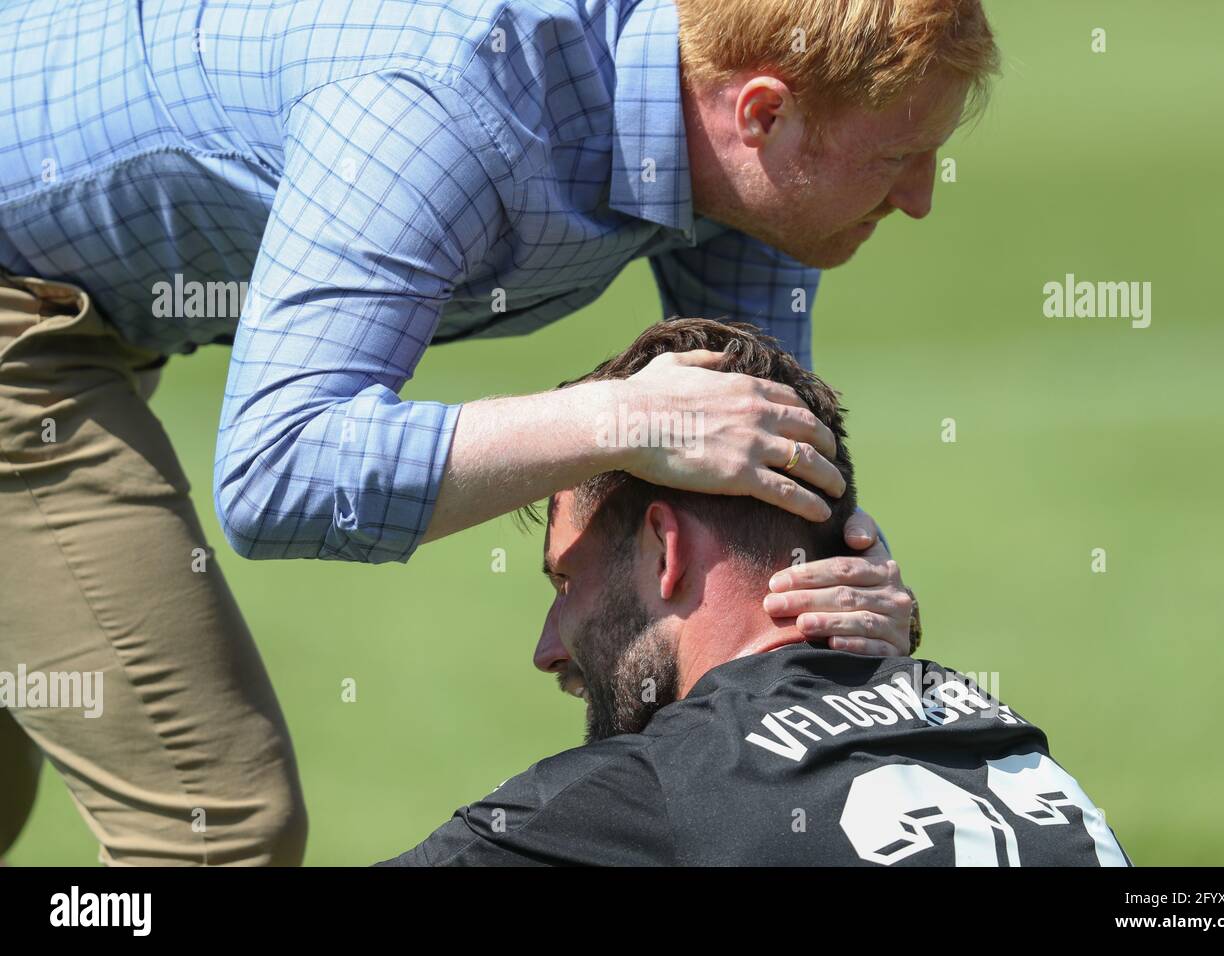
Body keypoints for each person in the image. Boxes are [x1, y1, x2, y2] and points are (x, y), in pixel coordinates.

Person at [0, 0, 996, 863]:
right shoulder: (447, 106)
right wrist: (622, 417)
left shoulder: (728, 131)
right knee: (210, 822)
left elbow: (756, 461)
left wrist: (842, 588)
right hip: (22, 304)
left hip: (87, 298)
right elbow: (277, 468)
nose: (916, 201)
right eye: (902, 156)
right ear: (763, 113)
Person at [381, 320, 1129, 867]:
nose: (549, 650)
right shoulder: (1020, 750)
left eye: (567, 580)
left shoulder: (658, 794)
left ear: (666, 550)